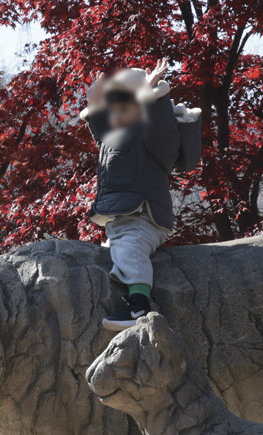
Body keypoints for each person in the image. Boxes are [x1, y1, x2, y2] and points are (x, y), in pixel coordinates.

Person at [81, 59, 202, 328]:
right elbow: (102, 129)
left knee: (130, 251)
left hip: (143, 215)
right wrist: (94, 101)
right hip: (121, 217)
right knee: (114, 253)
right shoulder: (118, 135)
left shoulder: (154, 137)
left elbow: (160, 127)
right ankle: (127, 297)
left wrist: (153, 93)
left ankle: (139, 310)